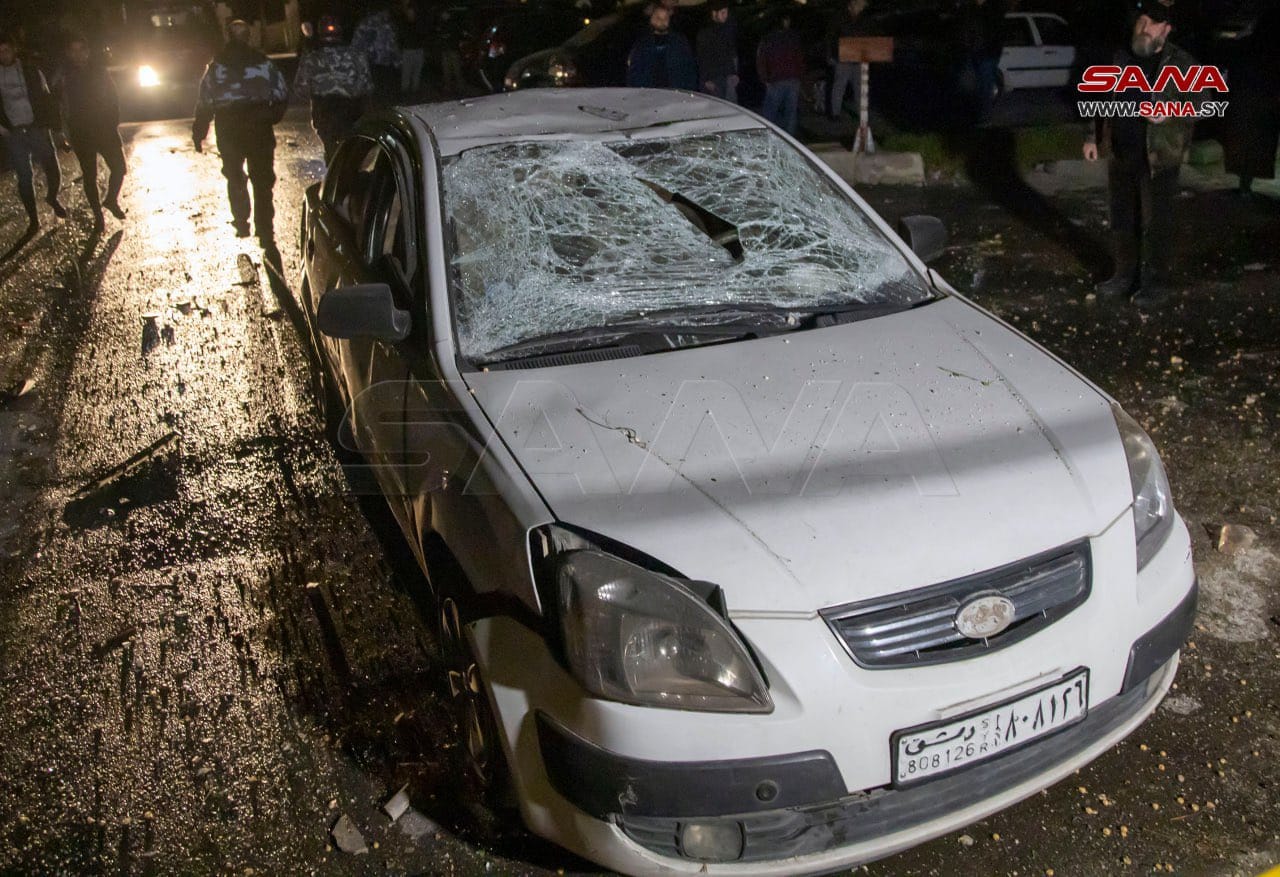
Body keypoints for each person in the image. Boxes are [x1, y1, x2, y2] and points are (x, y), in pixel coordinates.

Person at [1083, 1, 1198, 308]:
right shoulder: (1120, 58)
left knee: (1155, 224)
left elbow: (1203, 104)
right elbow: (1100, 96)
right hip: (1121, 154)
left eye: (1152, 24)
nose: (1144, 29)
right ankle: (1124, 276)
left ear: (1166, 30)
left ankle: (1155, 284)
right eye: (1142, 21)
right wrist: (1092, 137)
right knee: (1122, 219)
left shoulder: (1182, 63)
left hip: (1158, 159)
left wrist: (1171, 111)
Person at [193, 20, 289, 243]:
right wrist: (271, 117)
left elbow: (205, 102)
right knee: (262, 180)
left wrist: (199, 133)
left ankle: (241, 221)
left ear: (228, 36)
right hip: (259, 126)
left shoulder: (216, 66)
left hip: (229, 127)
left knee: (234, 175)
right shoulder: (263, 63)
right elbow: (282, 94)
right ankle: (264, 228)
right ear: (248, 36)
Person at [0, 34, 66, 237]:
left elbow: (46, 99)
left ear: (14, 50)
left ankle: (52, 197)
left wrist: (55, 128)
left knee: (51, 166)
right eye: (0, 51)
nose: (3, 55)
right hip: (14, 131)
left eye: (6, 50)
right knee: (24, 176)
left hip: (36, 126)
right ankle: (33, 219)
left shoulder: (30, 71)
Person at [59, 35, 126, 233]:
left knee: (119, 168)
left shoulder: (99, 71)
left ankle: (111, 199)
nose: (78, 54)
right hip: (81, 131)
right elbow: (60, 105)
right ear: (68, 53)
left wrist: (113, 121)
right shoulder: (64, 76)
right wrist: (64, 132)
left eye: (82, 49)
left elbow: (113, 96)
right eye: (74, 50)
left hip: (105, 128)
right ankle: (98, 217)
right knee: (90, 176)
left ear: (87, 52)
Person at [293, 15, 373, 163]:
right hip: (352, 110)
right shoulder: (356, 55)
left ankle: (335, 177)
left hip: (324, 111)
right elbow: (367, 85)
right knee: (351, 152)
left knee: (332, 151)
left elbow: (300, 89)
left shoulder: (312, 57)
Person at [1222, 5, 1280, 196]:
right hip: (1264, 103)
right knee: (1257, 147)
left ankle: (1244, 185)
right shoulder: (1270, 48)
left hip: (1245, 102)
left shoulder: (1245, 44)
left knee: (1246, 145)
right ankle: (1246, 185)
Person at [626, 3, 697, 91]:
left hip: (675, 94)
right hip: (648, 94)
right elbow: (634, 73)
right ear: (650, 19)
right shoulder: (642, 43)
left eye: (665, 18)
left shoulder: (679, 41)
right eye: (658, 17)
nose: (662, 21)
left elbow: (689, 70)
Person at [958, 0, 1006, 123]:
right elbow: (967, 30)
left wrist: (995, 52)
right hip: (973, 53)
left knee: (985, 86)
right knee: (973, 85)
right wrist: (966, 47)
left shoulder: (993, 9)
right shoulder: (970, 9)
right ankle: (975, 115)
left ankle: (983, 118)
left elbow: (999, 33)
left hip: (987, 55)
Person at [757, 13, 805, 136]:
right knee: (791, 113)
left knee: (770, 113)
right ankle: (790, 139)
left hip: (776, 79)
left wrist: (765, 79)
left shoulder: (768, 39)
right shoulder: (793, 37)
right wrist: (799, 76)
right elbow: (799, 59)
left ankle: (768, 137)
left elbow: (761, 60)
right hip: (792, 78)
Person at [826, 0, 868, 119]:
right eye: (861, 5)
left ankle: (861, 114)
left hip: (859, 58)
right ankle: (835, 113)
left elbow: (867, 34)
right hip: (843, 57)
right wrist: (830, 56)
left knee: (860, 88)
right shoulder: (840, 17)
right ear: (853, 5)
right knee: (840, 86)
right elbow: (830, 37)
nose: (862, 8)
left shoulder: (862, 19)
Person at [352, 2, 402, 100]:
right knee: (380, 88)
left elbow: (392, 43)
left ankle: (382, 105)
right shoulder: (372, 23)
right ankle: (380, 105)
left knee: (382, 88)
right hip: (376, 61)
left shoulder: (385, 23)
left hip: (380, 62)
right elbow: (358, 43)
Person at [696, 0, 738, 103]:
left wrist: (733, 73)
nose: (725, 16)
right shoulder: (705, 33)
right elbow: (702, 57)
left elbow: (730, 53)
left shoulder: (727, 30)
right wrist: (706, 79)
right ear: (714, 13)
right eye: (723, 13)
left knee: (732, 105)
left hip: (727, 77)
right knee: (717, 106)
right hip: (713, 79)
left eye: (726, 12)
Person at [396, 0, 427, 97]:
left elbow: (423, 35)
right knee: (406, 73)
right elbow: (400, 37)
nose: (411, 13)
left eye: (412, 12)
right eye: (409, 12)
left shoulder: (419, 24)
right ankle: (404, 92)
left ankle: (415, 91)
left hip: (418, 50)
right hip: (408, 50)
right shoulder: (403, 23)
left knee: (416, 73)